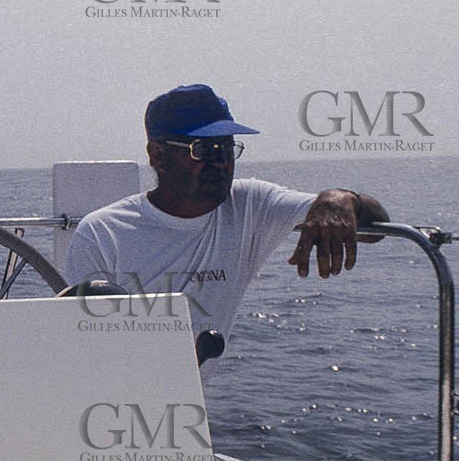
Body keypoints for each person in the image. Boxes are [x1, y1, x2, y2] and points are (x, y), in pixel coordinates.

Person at [63, 83, 389, 351]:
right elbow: (80, 350)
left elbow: (376, 229)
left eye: (226, 148)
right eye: (202, 150)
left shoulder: (249, 205)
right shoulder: (103, 233)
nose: (220, 163)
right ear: (157, 156)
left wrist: (339, 199)